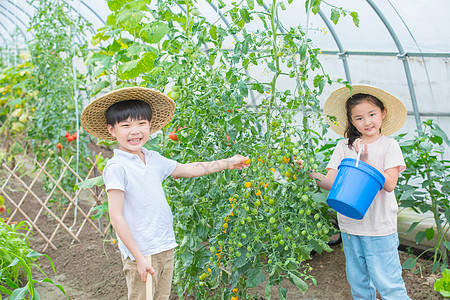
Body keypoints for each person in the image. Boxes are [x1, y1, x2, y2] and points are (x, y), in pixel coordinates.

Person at [81, 87, 249, 300]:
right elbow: (116, 216)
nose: (135, 131)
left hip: (164, 246)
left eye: (141, 123)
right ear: (112, 130)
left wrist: (228, 163)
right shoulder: (117, 167)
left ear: (150, 125)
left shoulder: (153, 158)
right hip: (141, 253)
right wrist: (139, 258)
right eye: (125, 125)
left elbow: (189, 169)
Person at [295, 85, 411, 300]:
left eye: (372, 114)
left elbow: (389, 184)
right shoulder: (343, 146)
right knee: (358, 284)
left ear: (383, 113)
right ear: (351, 121)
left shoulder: (389, 146)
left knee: (389, 284)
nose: (367, 122)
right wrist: (309, 172)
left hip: (379, 227)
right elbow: (331, 182)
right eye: (359, 118)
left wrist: (365, 162)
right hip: (350, 225)